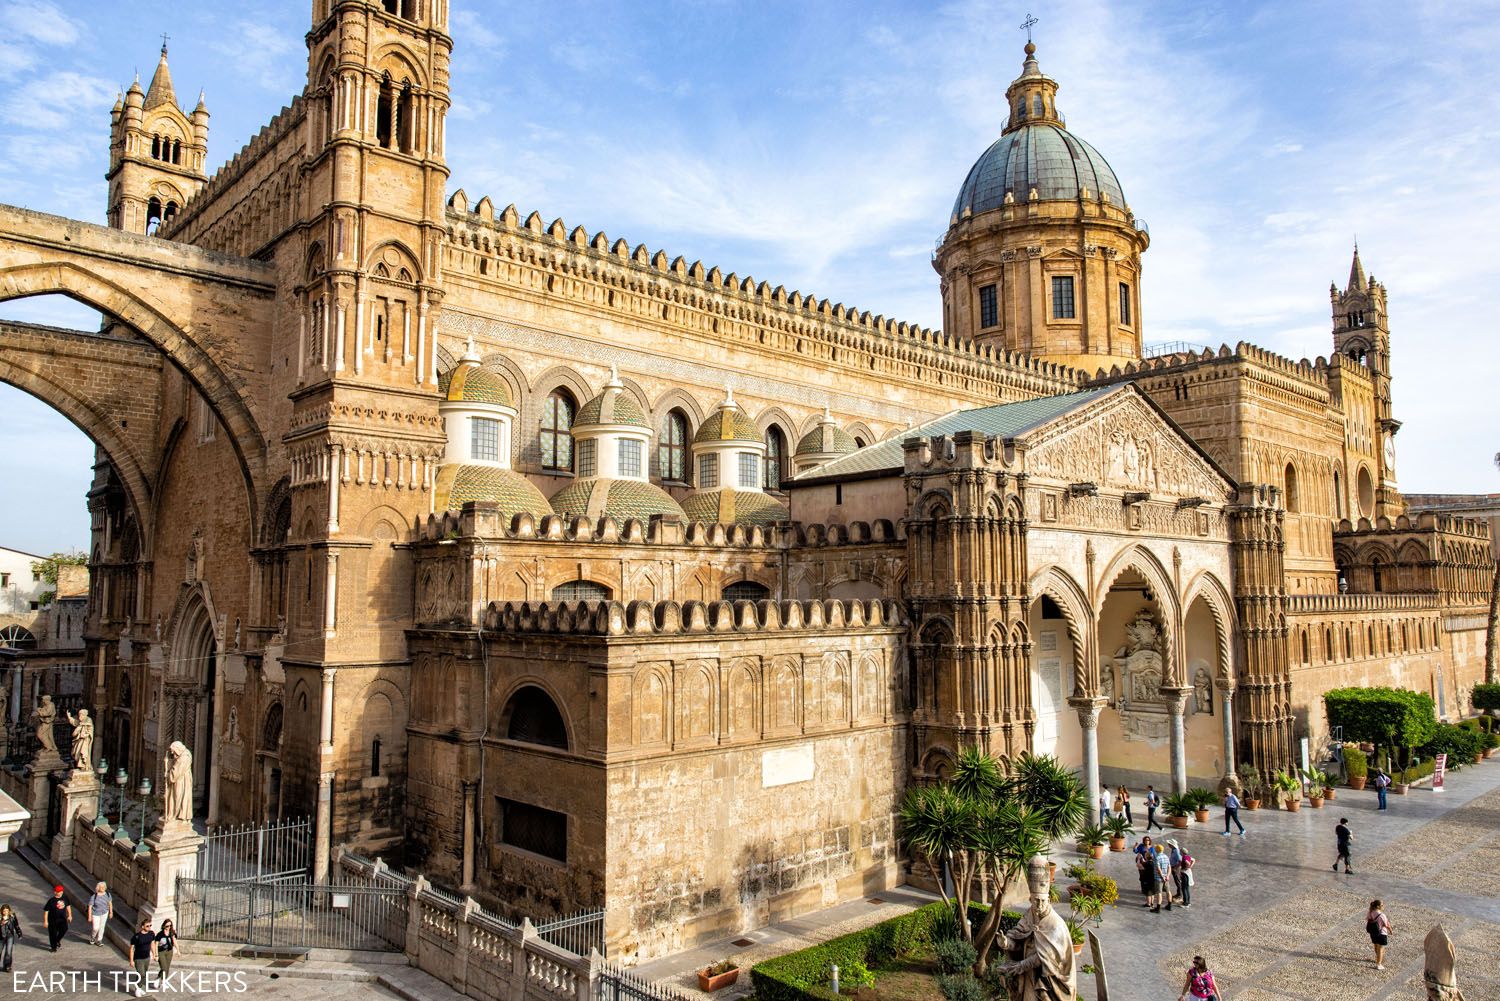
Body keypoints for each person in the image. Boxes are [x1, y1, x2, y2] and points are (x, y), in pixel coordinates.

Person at [128, 917, 157, 997]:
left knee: (144, 973)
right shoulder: (137, 936)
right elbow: (131, 949)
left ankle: (139, 987)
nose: (149, 927)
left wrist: (154, 954)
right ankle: (137, 988)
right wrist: (131, 961)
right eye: (147, 926)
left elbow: (152, 944)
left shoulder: (151, 933)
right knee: (141, 974)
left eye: (150, 925)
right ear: (142, 926)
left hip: (147, 957)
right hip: (138, 958)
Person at [42, 885, 70, 953]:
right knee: (53, 934)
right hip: (52, 920)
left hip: (62, 919)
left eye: (61, 891)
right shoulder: (51, 901)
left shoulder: (65, 898)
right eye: (58, 891)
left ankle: (57, 940)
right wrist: (45, 921)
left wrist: (70, 915)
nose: (60, 892)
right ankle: (53, 947)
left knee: (64, 929)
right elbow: (46, 911)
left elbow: (68, 906)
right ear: (55, 892)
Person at [1168, 838, 1194, 907]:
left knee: (1183, 886)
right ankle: (1186, 900)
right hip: (1184, 872)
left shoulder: (1181, 856)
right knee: (1185, 887)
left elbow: (1181, 861)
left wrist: (1184, 867)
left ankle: (1184, 900)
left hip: (1183, 873)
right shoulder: (1186, 856)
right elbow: (1193, 860)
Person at [85, 881, 112, 947]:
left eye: (104, 887)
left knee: (102, 927)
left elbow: (110, 903)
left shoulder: (108, 894)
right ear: (98, 888)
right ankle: (93, 937)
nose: (103, 888)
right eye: (101, 887)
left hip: (104, 912)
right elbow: (90, 906)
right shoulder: (94, 896)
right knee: (95, 928)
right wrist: (89, 916)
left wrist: (111, 912)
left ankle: (99, 940)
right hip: (95, 913)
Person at [1366, 899, 1391, 970]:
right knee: (1381, 948)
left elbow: (1368, 919)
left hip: (1373, 932)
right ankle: (1379, 964)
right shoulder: (1382, 915)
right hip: (1381, 933)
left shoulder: (1370, 912)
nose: (1383, 906)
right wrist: (1390, 931)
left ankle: (1378, 959)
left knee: (1376, 946)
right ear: (1378, 906)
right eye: (1382, 905)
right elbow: (1386, 924)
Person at [1151, 843, 1173, 912]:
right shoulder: (1166, 856)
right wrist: (1168, 876)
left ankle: (1158, 908)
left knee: (1159, 893)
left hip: (1159, 878)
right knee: (1168, 891)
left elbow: (1158, 869)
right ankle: (1169, 905)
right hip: (1166, 878)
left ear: (1157, 850)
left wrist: (1162, 877)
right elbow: (1169, 867)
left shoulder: (1157, 858)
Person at [1134, 835, 1156, 903]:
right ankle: (1143, 889)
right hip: (1142, 863)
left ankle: (1148, 891)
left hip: (1148, 864)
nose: (1147, 841)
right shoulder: (1141, 846)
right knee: (1142, 876)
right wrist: (1135, 846)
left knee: (1148, 876)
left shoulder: (1152, 848)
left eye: (1148, 840)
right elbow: (1136, 851)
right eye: (1146, 840)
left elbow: (1154, 856)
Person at [0, 904, 22, 973]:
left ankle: (7, 966)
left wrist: (19, 934)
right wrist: (1, 923)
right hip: (0, 936)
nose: (5, 912)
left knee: (8, 952)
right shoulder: (0, 917)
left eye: (7, 911)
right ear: (1, 911)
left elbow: (16, 925)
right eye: (4, 911)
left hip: (10, 936)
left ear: (9, 911)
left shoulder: (12, 917)